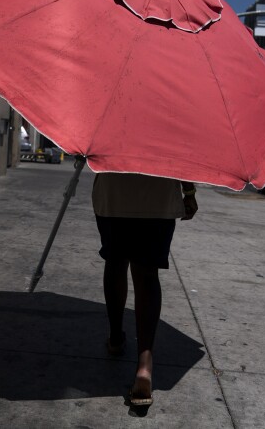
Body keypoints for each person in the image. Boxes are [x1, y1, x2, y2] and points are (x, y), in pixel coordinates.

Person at [91, 172, 199, 407]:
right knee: (147, 275)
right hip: (157, 196)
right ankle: (144, 364)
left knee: (115, 263)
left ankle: (116, 338)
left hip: (114, 192)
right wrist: (188, 192)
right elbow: (183, 152)